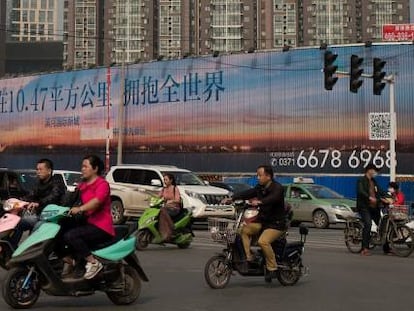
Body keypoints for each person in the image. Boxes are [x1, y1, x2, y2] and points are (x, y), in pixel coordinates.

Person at [226, 165, 287, 282]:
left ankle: (272, 267)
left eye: (260, 175)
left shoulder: (277, 188)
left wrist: (260, 201)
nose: (258, 177)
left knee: (263, 241)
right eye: (257, 175)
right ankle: (249, 257)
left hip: (276, 224)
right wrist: (232, 198)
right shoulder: (260, 187)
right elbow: (248, 193)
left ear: (268, 176)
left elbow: (273, 198)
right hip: (263, 222)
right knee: (243, 231)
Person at [61, 155, 114, 279]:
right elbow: (70, 200)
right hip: (86, 223)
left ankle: (93, 263)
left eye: (85, 166)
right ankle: (69, 260)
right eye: (82, 166)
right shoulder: (82, 186)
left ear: (95, 169)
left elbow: (96, 201)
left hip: (101, 226)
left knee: (72, 235)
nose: (82, 169)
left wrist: (79, 209)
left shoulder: (102, 184)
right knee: (59, 229)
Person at [10, 158, 66, 248]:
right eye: (37, 169)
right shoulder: (39, 183)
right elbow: (31, 194)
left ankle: (29, 252)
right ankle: (11, 249)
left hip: (52, 219)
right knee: (18, 222)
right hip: (40, 216)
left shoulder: (57, 183)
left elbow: (53, 197)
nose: (38, 172)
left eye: (41, 169)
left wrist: (38, 203)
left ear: (49, 170)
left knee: (36, 229)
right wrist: (18, 201)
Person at [356, 163, 385, 256]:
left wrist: (389, 196)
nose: (375, 172)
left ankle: (387, 249)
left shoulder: (374, 181)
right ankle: (364, 248)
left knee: (383, 225)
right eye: (374, 170)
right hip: (364, 207)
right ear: (369, 170)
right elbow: (361, 191)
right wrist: (369, 197)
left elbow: (380, 191)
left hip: (374, 207)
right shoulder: (361, 180)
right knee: (368, 224)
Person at [157, 174, 182, 240]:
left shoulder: (175, 189)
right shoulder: (164, 189)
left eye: (166, 180)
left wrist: (171, 201)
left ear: (171, 180)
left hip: (174, 209)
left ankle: (172, 228)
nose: (165, 181)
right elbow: (158, 197)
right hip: (166, 208)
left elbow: (178, 200)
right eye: (164, 180)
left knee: (162, 211)